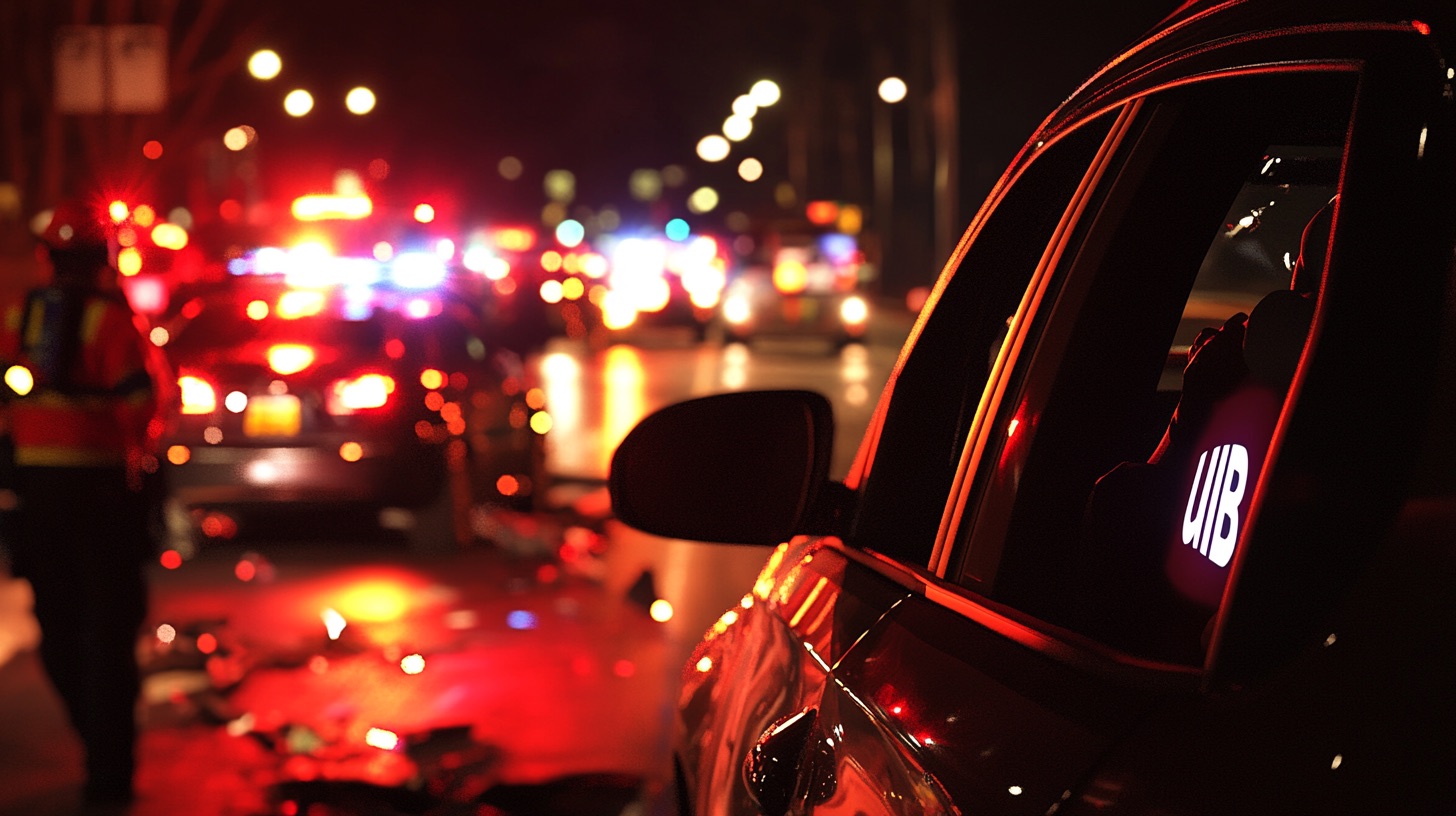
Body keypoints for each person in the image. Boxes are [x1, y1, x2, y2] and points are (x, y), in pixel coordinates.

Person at [1078, 196, 1334, 661]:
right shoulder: (1392, 423)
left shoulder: (1256, 417)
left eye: (1301, 289)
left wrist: (1194, 408)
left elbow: (1118, 513)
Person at [0, 198, 162, 809]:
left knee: (59, 628)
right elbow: (144, 408)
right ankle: (109, 769)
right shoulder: (113, 323)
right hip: (100, 497)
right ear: (101, 261)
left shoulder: (18, 317)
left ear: (48, 259)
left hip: (37, 498)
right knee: (109, 633)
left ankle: (96, 741)